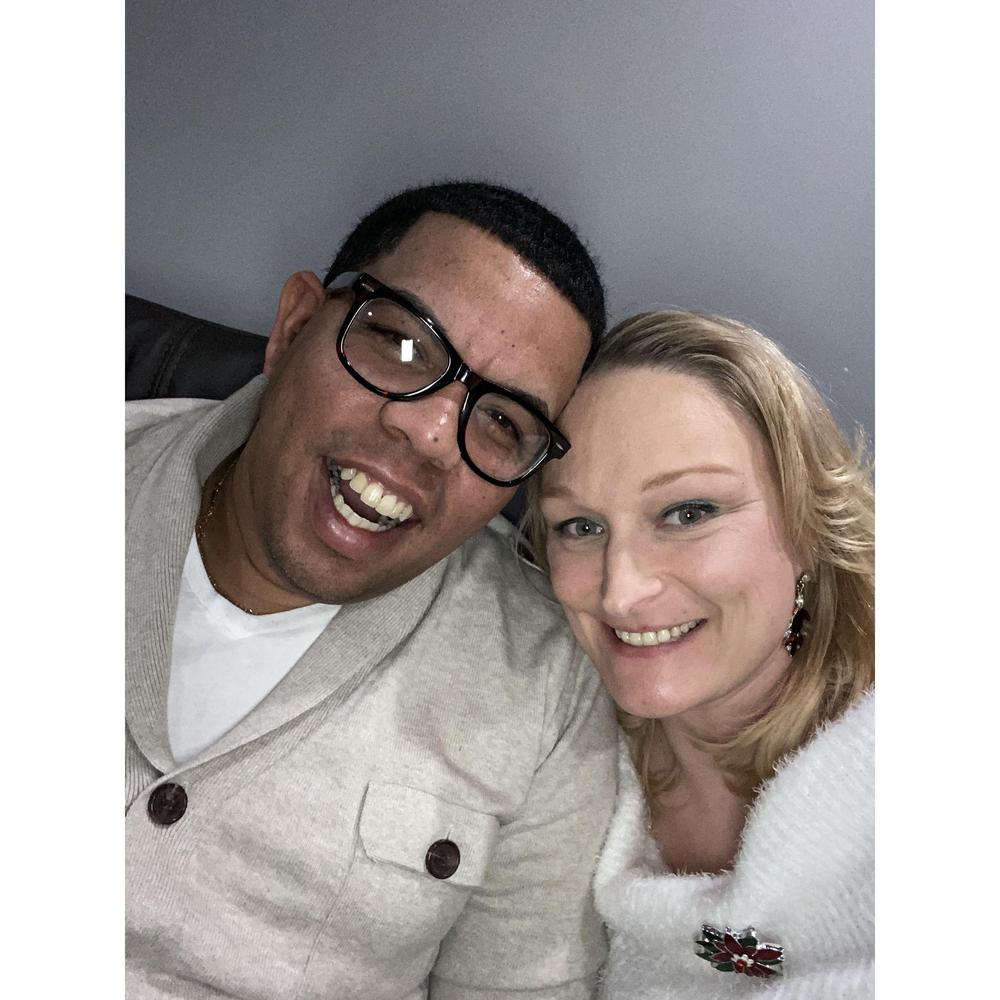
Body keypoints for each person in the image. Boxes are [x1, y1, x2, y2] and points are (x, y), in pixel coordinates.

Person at [125, 181, 619, 999]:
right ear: (293, 327)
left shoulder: (548, 694)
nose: (429, 434)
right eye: (403, 344)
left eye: (502, 421)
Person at [528, 310, 875, 997]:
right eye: (580, 526)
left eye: (688, 513)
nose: (621, 592)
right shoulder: (553, 756)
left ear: (809, 524)